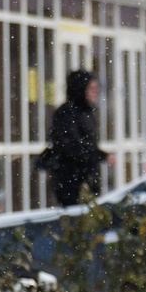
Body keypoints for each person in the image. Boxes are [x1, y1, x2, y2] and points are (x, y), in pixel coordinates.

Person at [41, 71, 110, 207]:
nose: (95, 92)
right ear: (80, 89)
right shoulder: (67, 113)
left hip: (86, 175)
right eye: (91, 88)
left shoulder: (87, 113)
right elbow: (71, 145)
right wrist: (98, 155)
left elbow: (86, 144)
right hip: (70, 177)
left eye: (96, 88)